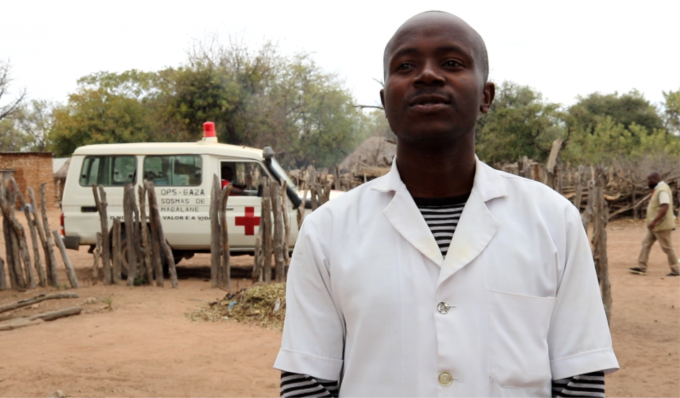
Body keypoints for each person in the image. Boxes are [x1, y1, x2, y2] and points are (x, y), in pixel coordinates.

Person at [275, 11, 618, 397]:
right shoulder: (328, 231)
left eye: (452, 63)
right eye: (405, 66)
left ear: (486, 96)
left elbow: (579, 379)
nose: (427, 75)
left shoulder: (553, 221)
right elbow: (306, 381)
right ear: (386, 101)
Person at [630, 171, 680, 276]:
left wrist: (655, 221)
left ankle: (676, 270)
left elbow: (665, 206)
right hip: (654, 225)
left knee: (667, 247)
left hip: (661, 225)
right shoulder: (658, 189)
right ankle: (641, 267)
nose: (648, 182)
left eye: (649, 179)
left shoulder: (662, 190)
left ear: (656, 179)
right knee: (645, 243)